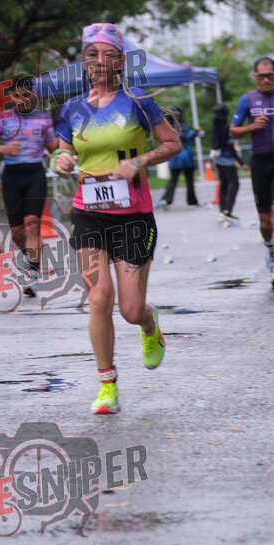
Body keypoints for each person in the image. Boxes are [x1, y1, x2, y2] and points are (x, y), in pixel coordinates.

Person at [52, 22, 181, 415]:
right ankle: (107, 386)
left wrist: (140, 161)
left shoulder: (138, 103)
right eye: (92, 54)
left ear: (121, 61)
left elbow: (172, 143)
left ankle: (149, 324)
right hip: (88, 213)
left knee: (130, 310)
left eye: (108, 54)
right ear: (83, 61)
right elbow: (62, 152)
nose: (99, 61)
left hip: (134, 217)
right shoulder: (72, 108)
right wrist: (62, 160)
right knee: (98, 298)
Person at [0, 75, 58, 298]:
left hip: (35, 174)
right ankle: (30, 256)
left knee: (32, 224)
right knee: (17, 231)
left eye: (25, 95)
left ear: (32, 94)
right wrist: (4, 149)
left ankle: (32, 273)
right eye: (16, 95)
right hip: (12, 176)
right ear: (11, 96)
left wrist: (65, 141)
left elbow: (53, 146)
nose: (20, 100)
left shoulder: (43, 118)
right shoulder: (2, 118)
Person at [230, 56, 274, 291]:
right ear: (256, 76)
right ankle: (269, 246)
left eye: (269, 75)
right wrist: (251, 127)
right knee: (265, 222)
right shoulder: (247, 99)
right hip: (259, 164)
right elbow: (232, 130)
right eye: (261, 76)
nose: (266, 80)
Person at [210, 103, 249, 221]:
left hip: (218, 160)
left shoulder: (215, 126)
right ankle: (228, 211)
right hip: (227, 160)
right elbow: (231, 148)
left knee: (224, 185)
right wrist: (241, 163)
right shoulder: (226, 128)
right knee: (234, 184)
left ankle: (222, 211)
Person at [159, 106, 202, 208]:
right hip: (186, 158)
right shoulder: (183, 126)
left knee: (173, 180)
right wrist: (197, 132)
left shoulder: (167, 127)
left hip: (174, 158)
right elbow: (189, 135)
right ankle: (192, 202)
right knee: (189, 180)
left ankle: (166, 200)